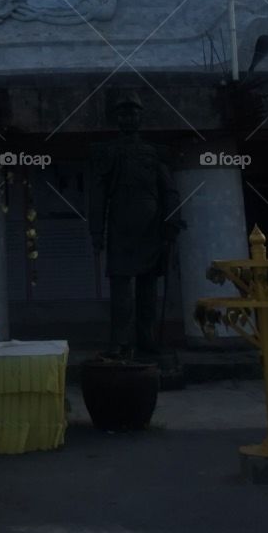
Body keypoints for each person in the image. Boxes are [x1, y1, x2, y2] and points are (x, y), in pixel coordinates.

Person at [89, 97, 181, 357]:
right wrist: (96, 231)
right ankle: (119, 341)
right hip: (120, 226)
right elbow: (97, 195)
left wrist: (172, 220)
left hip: (150, 228)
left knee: (148, 288)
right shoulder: (108, 152)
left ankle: (146, 338)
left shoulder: (154, 153)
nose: (129, 119)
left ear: (141, 118)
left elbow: (169, 191)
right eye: (123, 114)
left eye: (133, 114)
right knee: (120, 288)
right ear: (117, 119)